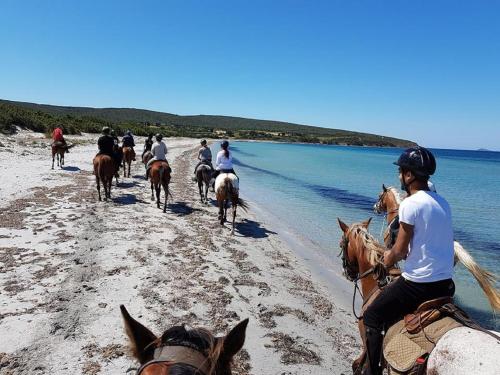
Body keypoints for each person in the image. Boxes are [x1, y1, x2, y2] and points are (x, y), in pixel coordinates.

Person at [361, 146, 455, 375]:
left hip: (418, 286)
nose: (399, 176)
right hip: (446, 284)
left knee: (372, 316)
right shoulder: (443, 202)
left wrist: (385, 259)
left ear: (409, 175)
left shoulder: (410, 204)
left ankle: (371, 372)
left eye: (401, 172)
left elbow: (400, 251)